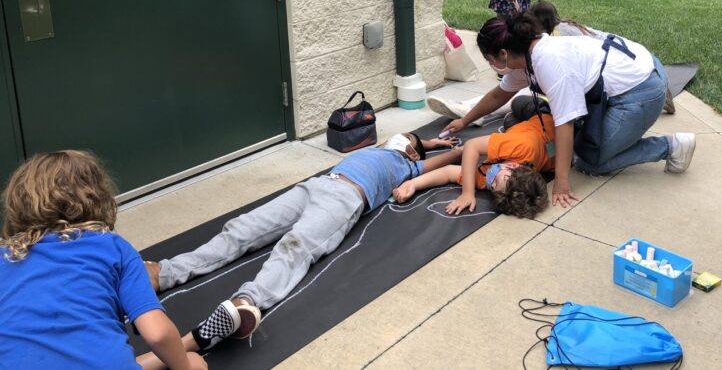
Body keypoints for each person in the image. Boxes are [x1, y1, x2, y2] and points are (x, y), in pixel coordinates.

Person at [142, 134, 461, 354]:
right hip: (317, 185)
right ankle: (165, 273)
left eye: (408, 141)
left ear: (413, 154)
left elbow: (443, 161)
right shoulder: (378, 149)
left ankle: (245, 305)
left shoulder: (408, 166)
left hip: (348, 198)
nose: (401, 138)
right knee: (242, 228)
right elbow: (405, 139)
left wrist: (448, 148)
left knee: (296, 246)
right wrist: (425, 140)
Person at [444, 12, 696, 209]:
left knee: (589, 161)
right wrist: (464, 121)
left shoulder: (549, 64)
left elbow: (565, 123)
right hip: (640, 65)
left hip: (640, 91)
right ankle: (656, 95)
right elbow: (499, 94)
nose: (491, 66)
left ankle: (671, 146)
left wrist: (562, 183)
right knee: (583, 143)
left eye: (490, 61)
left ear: (503, 54)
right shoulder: (526, 55)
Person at [0, 150, 206, 370]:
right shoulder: (113, 248)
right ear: (96, 198)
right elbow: (158, 334)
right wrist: (185, 366)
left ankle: (188, 342)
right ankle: (187, 347)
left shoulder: (4, 257)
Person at [393, 107, 554, 219]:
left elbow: (449, 172)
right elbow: (472, 145)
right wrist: (467, 192)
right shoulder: (522, 146)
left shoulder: (490, 180)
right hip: (544, 118)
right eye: (497, 180)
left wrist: (413, 184)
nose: (490, 181)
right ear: (513, 166)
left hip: (536, 139)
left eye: (492, 187)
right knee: (518, 106)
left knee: (509, 123)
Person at [530, 0, 677, 115]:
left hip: (616, 56)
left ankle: (662, 95)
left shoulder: (559, 34)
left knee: (615, 85)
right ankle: (660, 88)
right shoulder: (562, 26)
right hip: (619, 48)